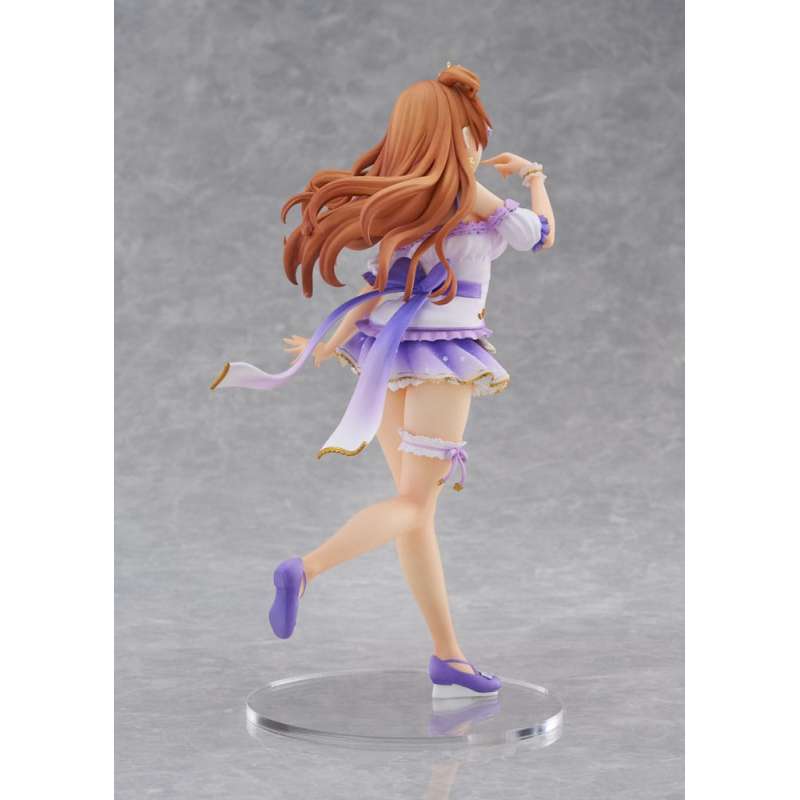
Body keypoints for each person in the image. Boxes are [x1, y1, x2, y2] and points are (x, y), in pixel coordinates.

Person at [211, 64, 555, 697]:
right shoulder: (469, 195)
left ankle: (448, 656)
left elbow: (379, 291)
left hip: (387, 356)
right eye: (469, 134)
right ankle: (306, 570)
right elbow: (539, 236)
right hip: (444, 358)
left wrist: (330, 341)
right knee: (413, 505)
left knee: (416, 516)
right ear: (452, 138)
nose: (476, 145)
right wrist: (534, 178)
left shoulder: (407, 205)